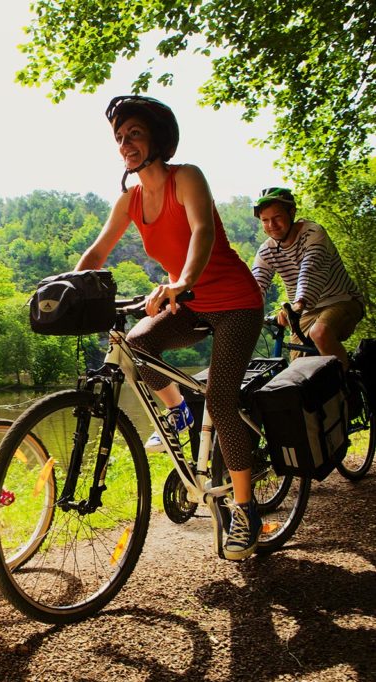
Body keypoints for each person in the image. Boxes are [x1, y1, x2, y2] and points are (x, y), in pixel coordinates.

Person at [75, 95, 265, 560]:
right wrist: (70, 286)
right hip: (191, 304)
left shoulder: (187, 177)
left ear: (157, 137)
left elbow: (202, 231)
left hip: (235, 302)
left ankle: (245, 510)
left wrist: (181, 281)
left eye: (134, 134)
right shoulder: (130, 199)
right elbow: (98, 255)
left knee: (221, 400)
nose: (125, 144)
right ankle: (180, 412)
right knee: (137, 344)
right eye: (119, 138)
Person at [251, 187, 364, 369]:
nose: (271, 225)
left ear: (292, 212)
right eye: (265, 220)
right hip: (304, 312)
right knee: (300, 371)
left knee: (320, 332)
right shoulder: (267, 250)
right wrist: (241, 311)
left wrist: (298, 304)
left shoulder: (313, 233)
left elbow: (311, 270)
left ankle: (348, 386)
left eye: (277, 217)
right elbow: (256, 285)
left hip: (342, 300)